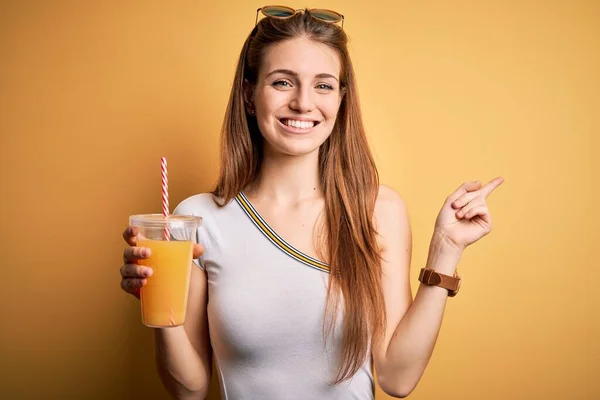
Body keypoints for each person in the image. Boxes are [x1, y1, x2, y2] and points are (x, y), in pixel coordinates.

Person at [120, 7, 504, 400]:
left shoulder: (378, 210)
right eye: (282, 82)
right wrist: (159, 303)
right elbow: (190, 391)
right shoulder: (199, 218)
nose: (303, 103)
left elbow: (397, 378)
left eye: (322, 85)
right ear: (250, 96)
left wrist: (446, 251)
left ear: (341, 99)